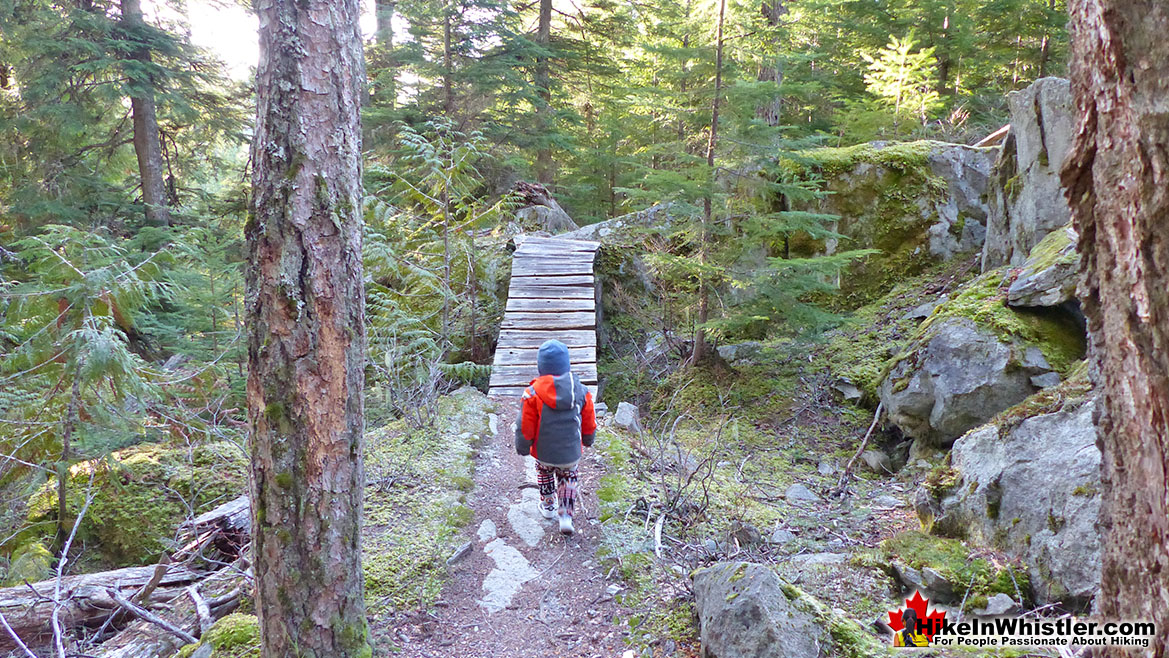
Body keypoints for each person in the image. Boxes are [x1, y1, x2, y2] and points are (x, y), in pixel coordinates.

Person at [514, 339, 597, 536]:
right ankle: (566, 515)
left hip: (544, 452)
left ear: (541, 367)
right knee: (568, 476)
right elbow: (589, 420)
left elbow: (524, 425)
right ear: (566, 365)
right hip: (570, 453)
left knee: (543, 472)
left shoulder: (532, 394)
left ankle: (548, 505)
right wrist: (588, 439)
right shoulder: (582, 392)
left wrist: (523, 446)